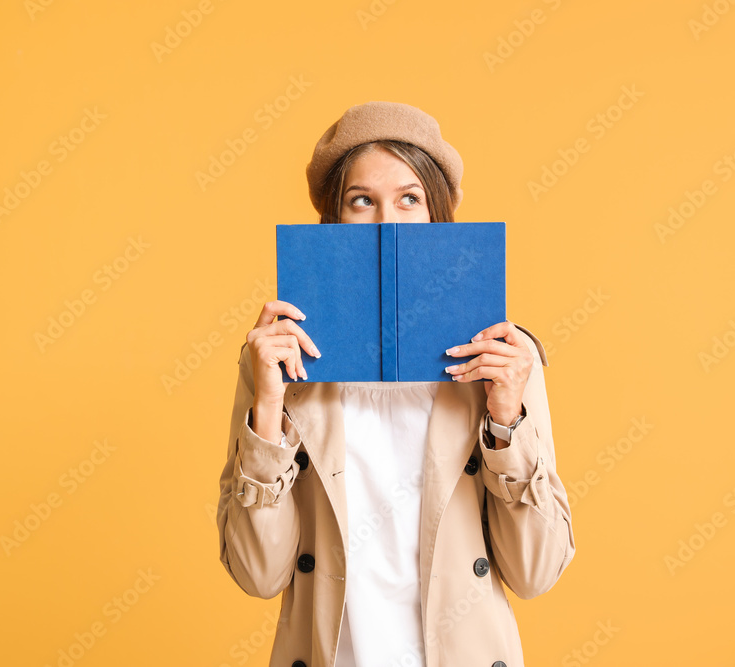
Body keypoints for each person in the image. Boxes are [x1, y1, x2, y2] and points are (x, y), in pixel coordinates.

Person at [216, 101, 575, 667]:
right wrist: (268, 406)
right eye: (363, 201)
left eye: (410, 198)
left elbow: (535, 573)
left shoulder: (502, 359)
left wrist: (506, 421)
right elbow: (258, 575)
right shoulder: (280, 365)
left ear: (439, 212)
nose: (388, 222)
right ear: (333, 220)